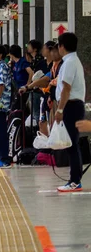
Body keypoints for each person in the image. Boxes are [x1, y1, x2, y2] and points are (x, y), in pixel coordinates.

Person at [54, 32, 86, 192]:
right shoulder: (71, 61)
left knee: (72, 144)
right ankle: (75, 179)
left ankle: (75, 181)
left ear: (62, 46)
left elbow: (66, 88)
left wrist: (59, 109)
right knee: (71, 144)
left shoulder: (69, 62)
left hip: (71, 106)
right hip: (72, 105)